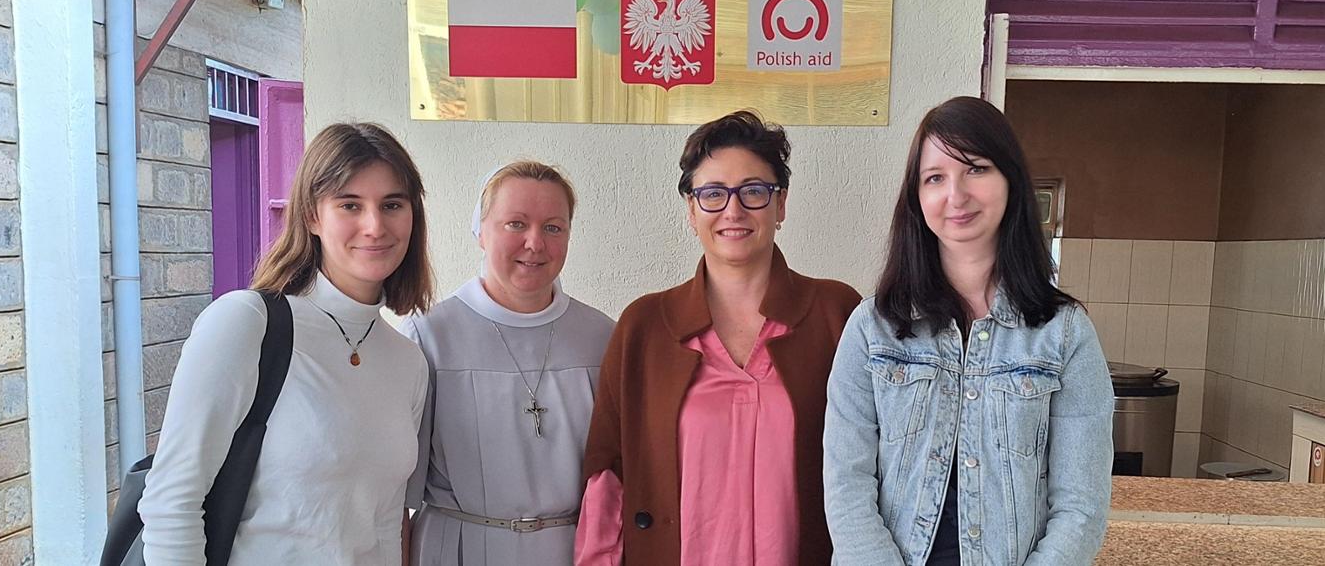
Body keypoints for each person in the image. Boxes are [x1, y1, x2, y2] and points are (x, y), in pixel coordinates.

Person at [824, 96, 1113, 566]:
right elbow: (846, 483)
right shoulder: (873, 327)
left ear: (1009, 181)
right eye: (935, 177)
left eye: (975, 169)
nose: (955, 195)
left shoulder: (1064, 333)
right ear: (917, 198)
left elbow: (1081, 504)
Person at [141, 122, 435, 566]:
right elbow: (172, 502)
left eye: (392, 204)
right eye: (350, 204)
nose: (374, 225)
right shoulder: (246, 323)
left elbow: (384, 521)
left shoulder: (407, 361)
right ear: (313, 216)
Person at [576, 110, 862, 566]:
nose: (733, 210)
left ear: (780, 204)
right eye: (712, 193)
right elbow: (607, 476)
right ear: (691, 210)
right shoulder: (644, 327)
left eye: (753, 191)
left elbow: (875, 469)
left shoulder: (837, 315)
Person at [403, 161, 615, 566]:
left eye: (553, 227)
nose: (535, 243)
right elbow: (394, 491)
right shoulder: (430, 335)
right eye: (516, 224)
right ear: (481, 232)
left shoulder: (602, 338)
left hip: (572, 552)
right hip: (457, 549)